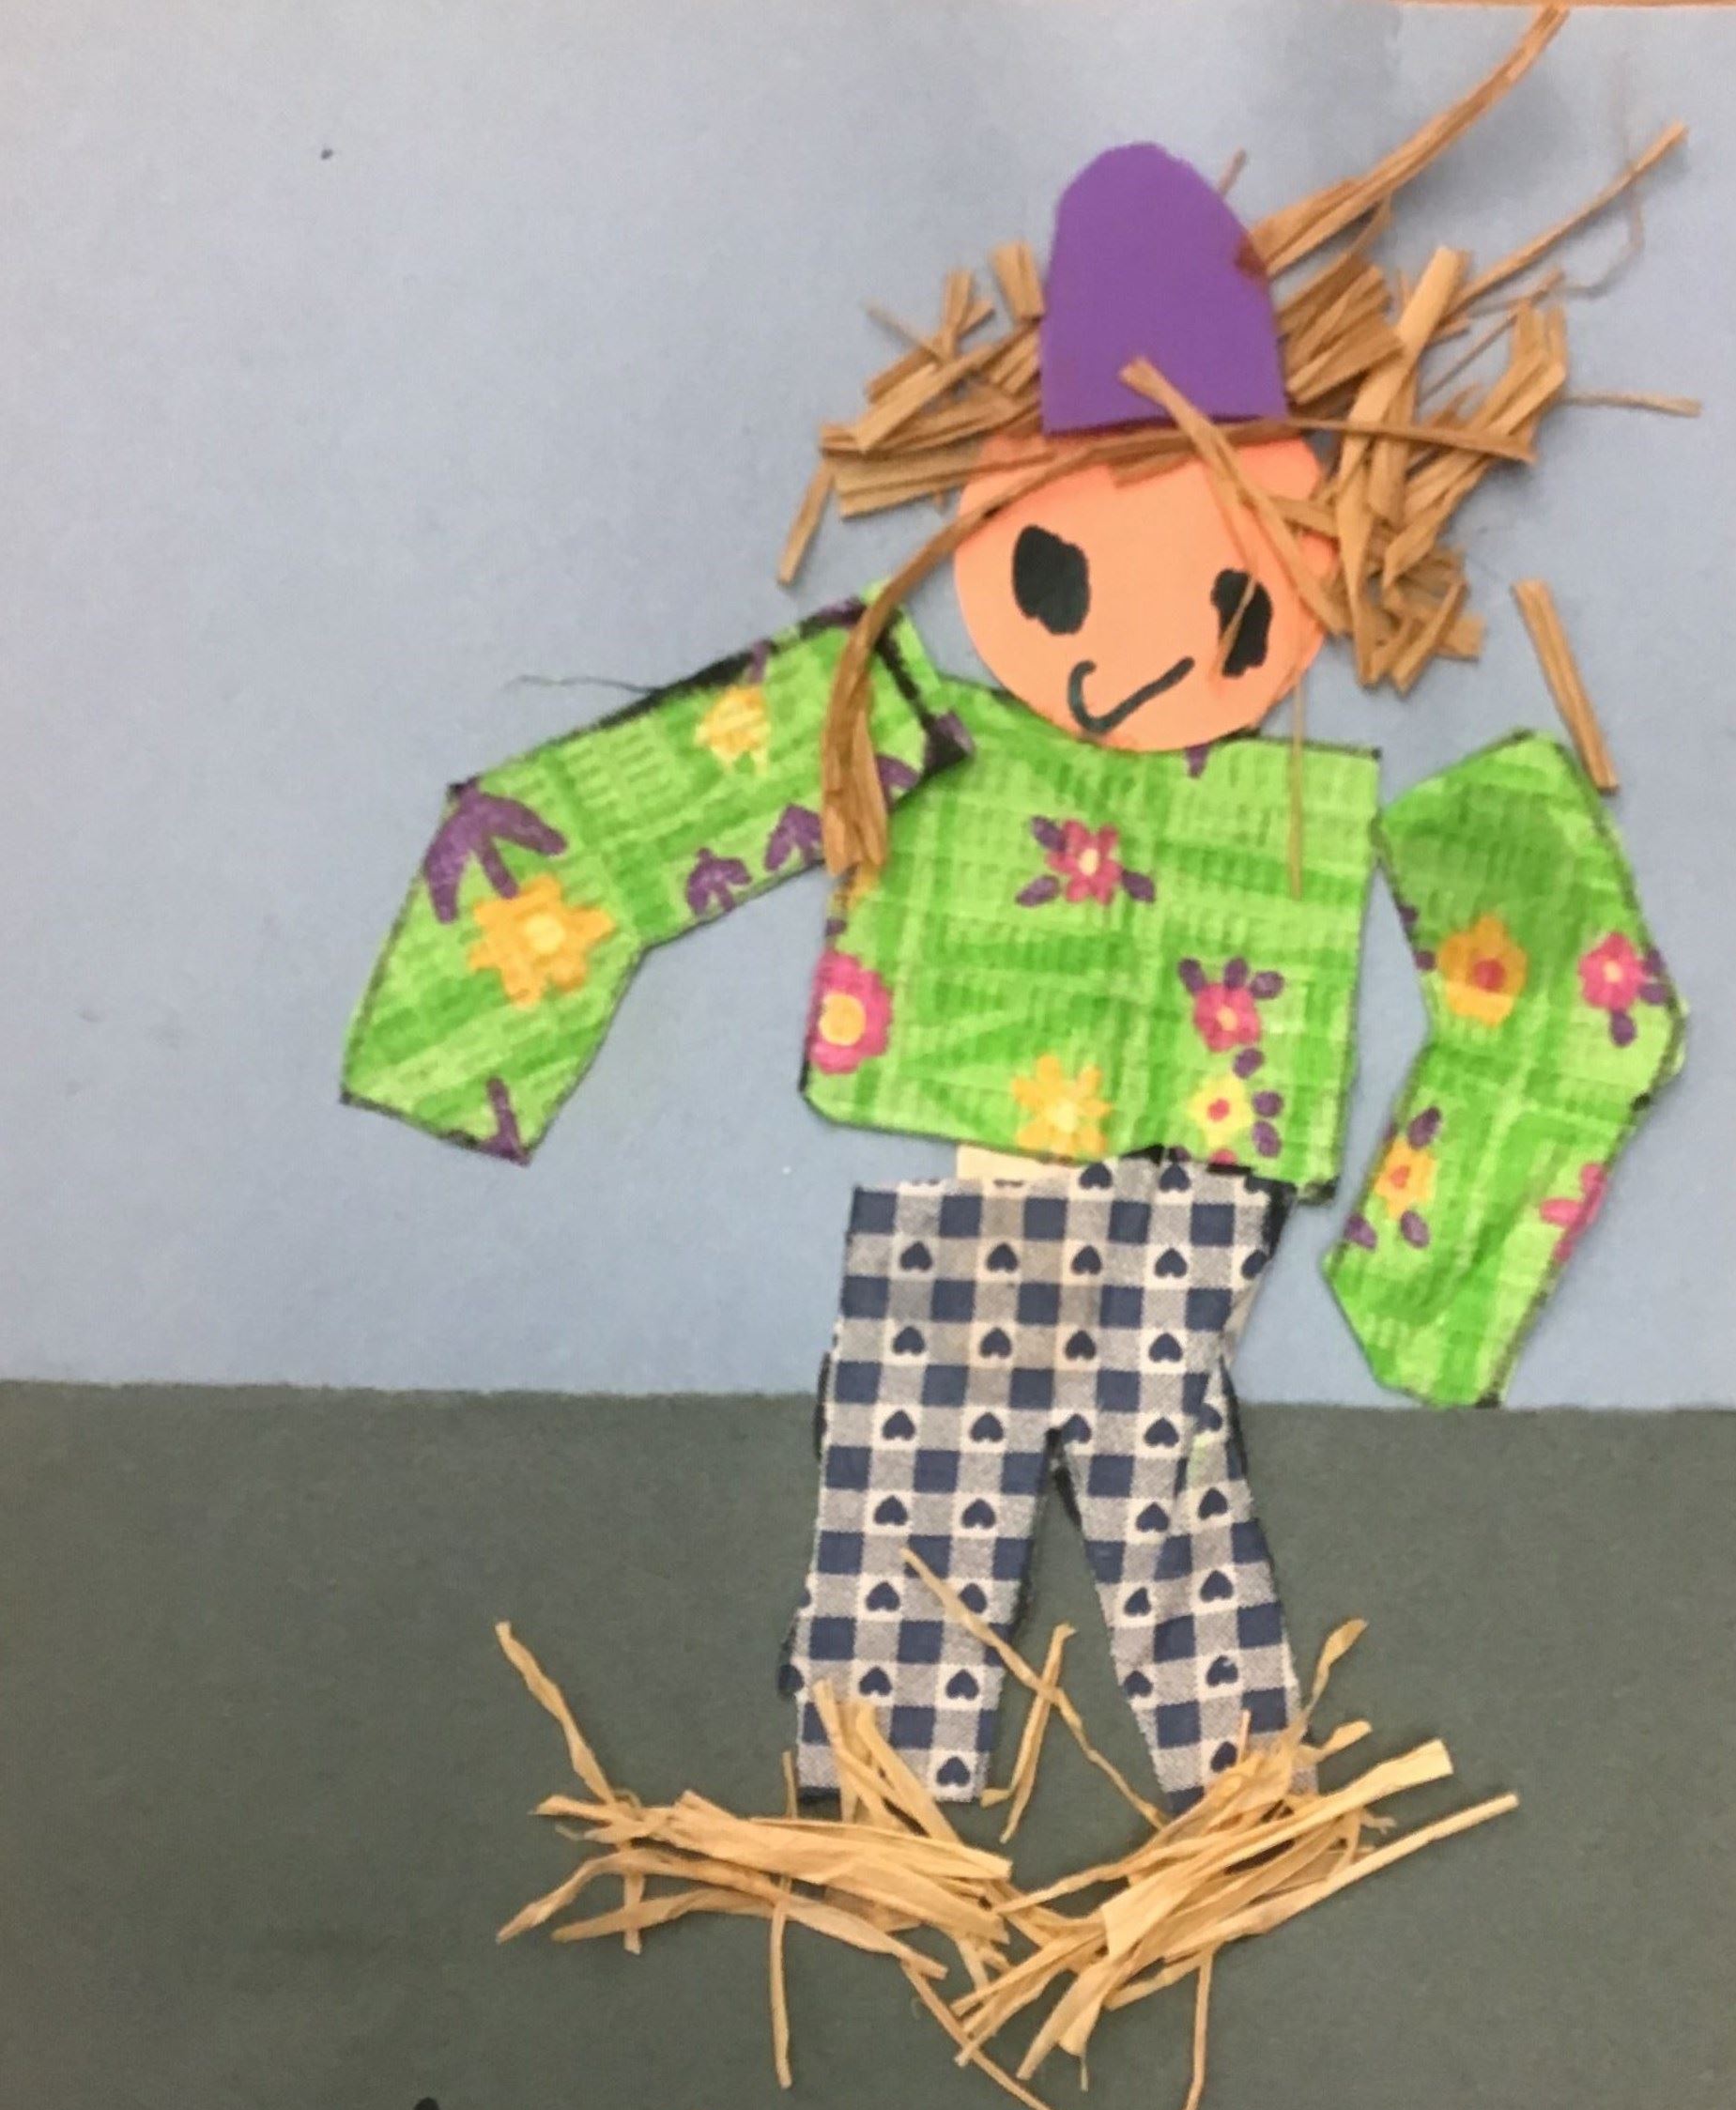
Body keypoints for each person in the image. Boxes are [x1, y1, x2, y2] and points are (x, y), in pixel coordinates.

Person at [342, 129, 1682, 1812]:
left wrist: (1426, 1272)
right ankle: (1087, 1797)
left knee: (1048, 1424)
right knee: (1047, 1433)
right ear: (996, 512)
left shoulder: (1315, 795)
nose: (1136, 657)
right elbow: (616, 816)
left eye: (1231, 598)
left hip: (1179, 1189)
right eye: (1063, 571)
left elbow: (1572, 991)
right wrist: (471, 1022)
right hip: (1046, 1192)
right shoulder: (898, 715)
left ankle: (1100, 1800)